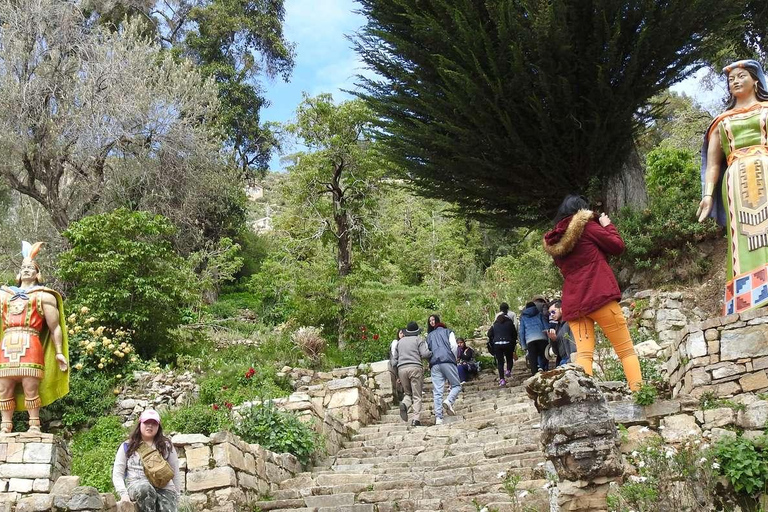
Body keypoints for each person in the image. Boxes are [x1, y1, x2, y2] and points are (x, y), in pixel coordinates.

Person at [543, 194, 643, 391]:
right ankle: (641, 395)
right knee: (625, 350)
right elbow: (617, 247)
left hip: (575, 303)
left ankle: (584, 400)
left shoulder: (555, 242)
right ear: (581, 210)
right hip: (600, 296)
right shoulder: (587, 227)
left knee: (584, 354)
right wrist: (607, 225)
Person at [698, 59, 768, 315]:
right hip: (736, 181)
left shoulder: (766, 110)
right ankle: (746, 297)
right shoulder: (722, 121)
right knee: (742, 236)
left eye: (741, 76)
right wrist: (708, 195)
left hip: (766, 171)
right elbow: (713, 164)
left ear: (755, 79)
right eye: (731, 79)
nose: (735, 81)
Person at [0, 241, 68, 433]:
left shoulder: (44, 296)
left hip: (31, 343)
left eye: (31, 268)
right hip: (7, 342)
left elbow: (55, 327)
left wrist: (59, 352)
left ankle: (34, 424)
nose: (27, 270)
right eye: (24, 268)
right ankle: (5, 425)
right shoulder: (3, 295)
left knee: (31, 388)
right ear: (19, 273)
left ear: (38, 274)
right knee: (4, 388)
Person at [113, 410, 181, 512]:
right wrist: (123, 494)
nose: (150, 426)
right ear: (140, 423)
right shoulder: (127, 446)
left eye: (154, 423)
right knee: (146, 489)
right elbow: (118, 473)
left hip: (164, 488)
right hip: (138, 485)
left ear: (158, 426)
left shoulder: (166, 446)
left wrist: (177, 494)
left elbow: (175, 471)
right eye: (146, 422)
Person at [392, 322, 431, 426]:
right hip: (415, 367)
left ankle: (405, 404)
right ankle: (416, 419)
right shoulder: (418, 339)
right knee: (417, 395)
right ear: (416, 331)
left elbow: (394, 361)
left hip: (401, 369)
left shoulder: (399, 342)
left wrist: (396, 375)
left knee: (408, 393)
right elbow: (425, 353)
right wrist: (432, 353)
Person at [426, 314, 461, 425]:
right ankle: (449, 400)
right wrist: (454, 358)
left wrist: (430, 362)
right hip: (447, 361)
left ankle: (439, 418)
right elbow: (454, 346)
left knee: (437, 391)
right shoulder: (448, 332)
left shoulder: (429, 336)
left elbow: (427, 351)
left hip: (435, 364)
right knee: (456, 385)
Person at [518, 300, 549, 375]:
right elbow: (546, 327)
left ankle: (535, 375)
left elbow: (521, 332)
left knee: (533, 359)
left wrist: (523, 345)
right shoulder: (540, 314)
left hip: (530, 340)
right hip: (542, 338)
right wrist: (549, 338)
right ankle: (542, 368)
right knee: (544, 355)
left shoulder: (523, 317)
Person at [487, 312, 517, 386]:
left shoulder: (494, 325)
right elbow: (514, 334)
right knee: (509, 358)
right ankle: (508, 371)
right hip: (507, 343)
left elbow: (489, 334)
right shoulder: (510, 324)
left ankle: (502, 379)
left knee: (500, 362)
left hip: (497, 344)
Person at [547, 300, 576, 367]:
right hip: (562, 360)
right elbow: (556, 352)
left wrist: (571, 360)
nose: (552, 315)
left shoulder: (569, 323)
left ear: (561, 309)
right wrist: (553, 340)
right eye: (550, 313)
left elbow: (573, 343)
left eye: (553, 311)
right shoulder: (557, 328)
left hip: (570, 359)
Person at [387, 328, 405, 405]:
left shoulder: (406, 343)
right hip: (396, 365)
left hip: (403, 365)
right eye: (400, 333)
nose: (402, 335)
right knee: (398, 383)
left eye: (403, 333)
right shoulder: (395, 342)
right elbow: (394, 357)